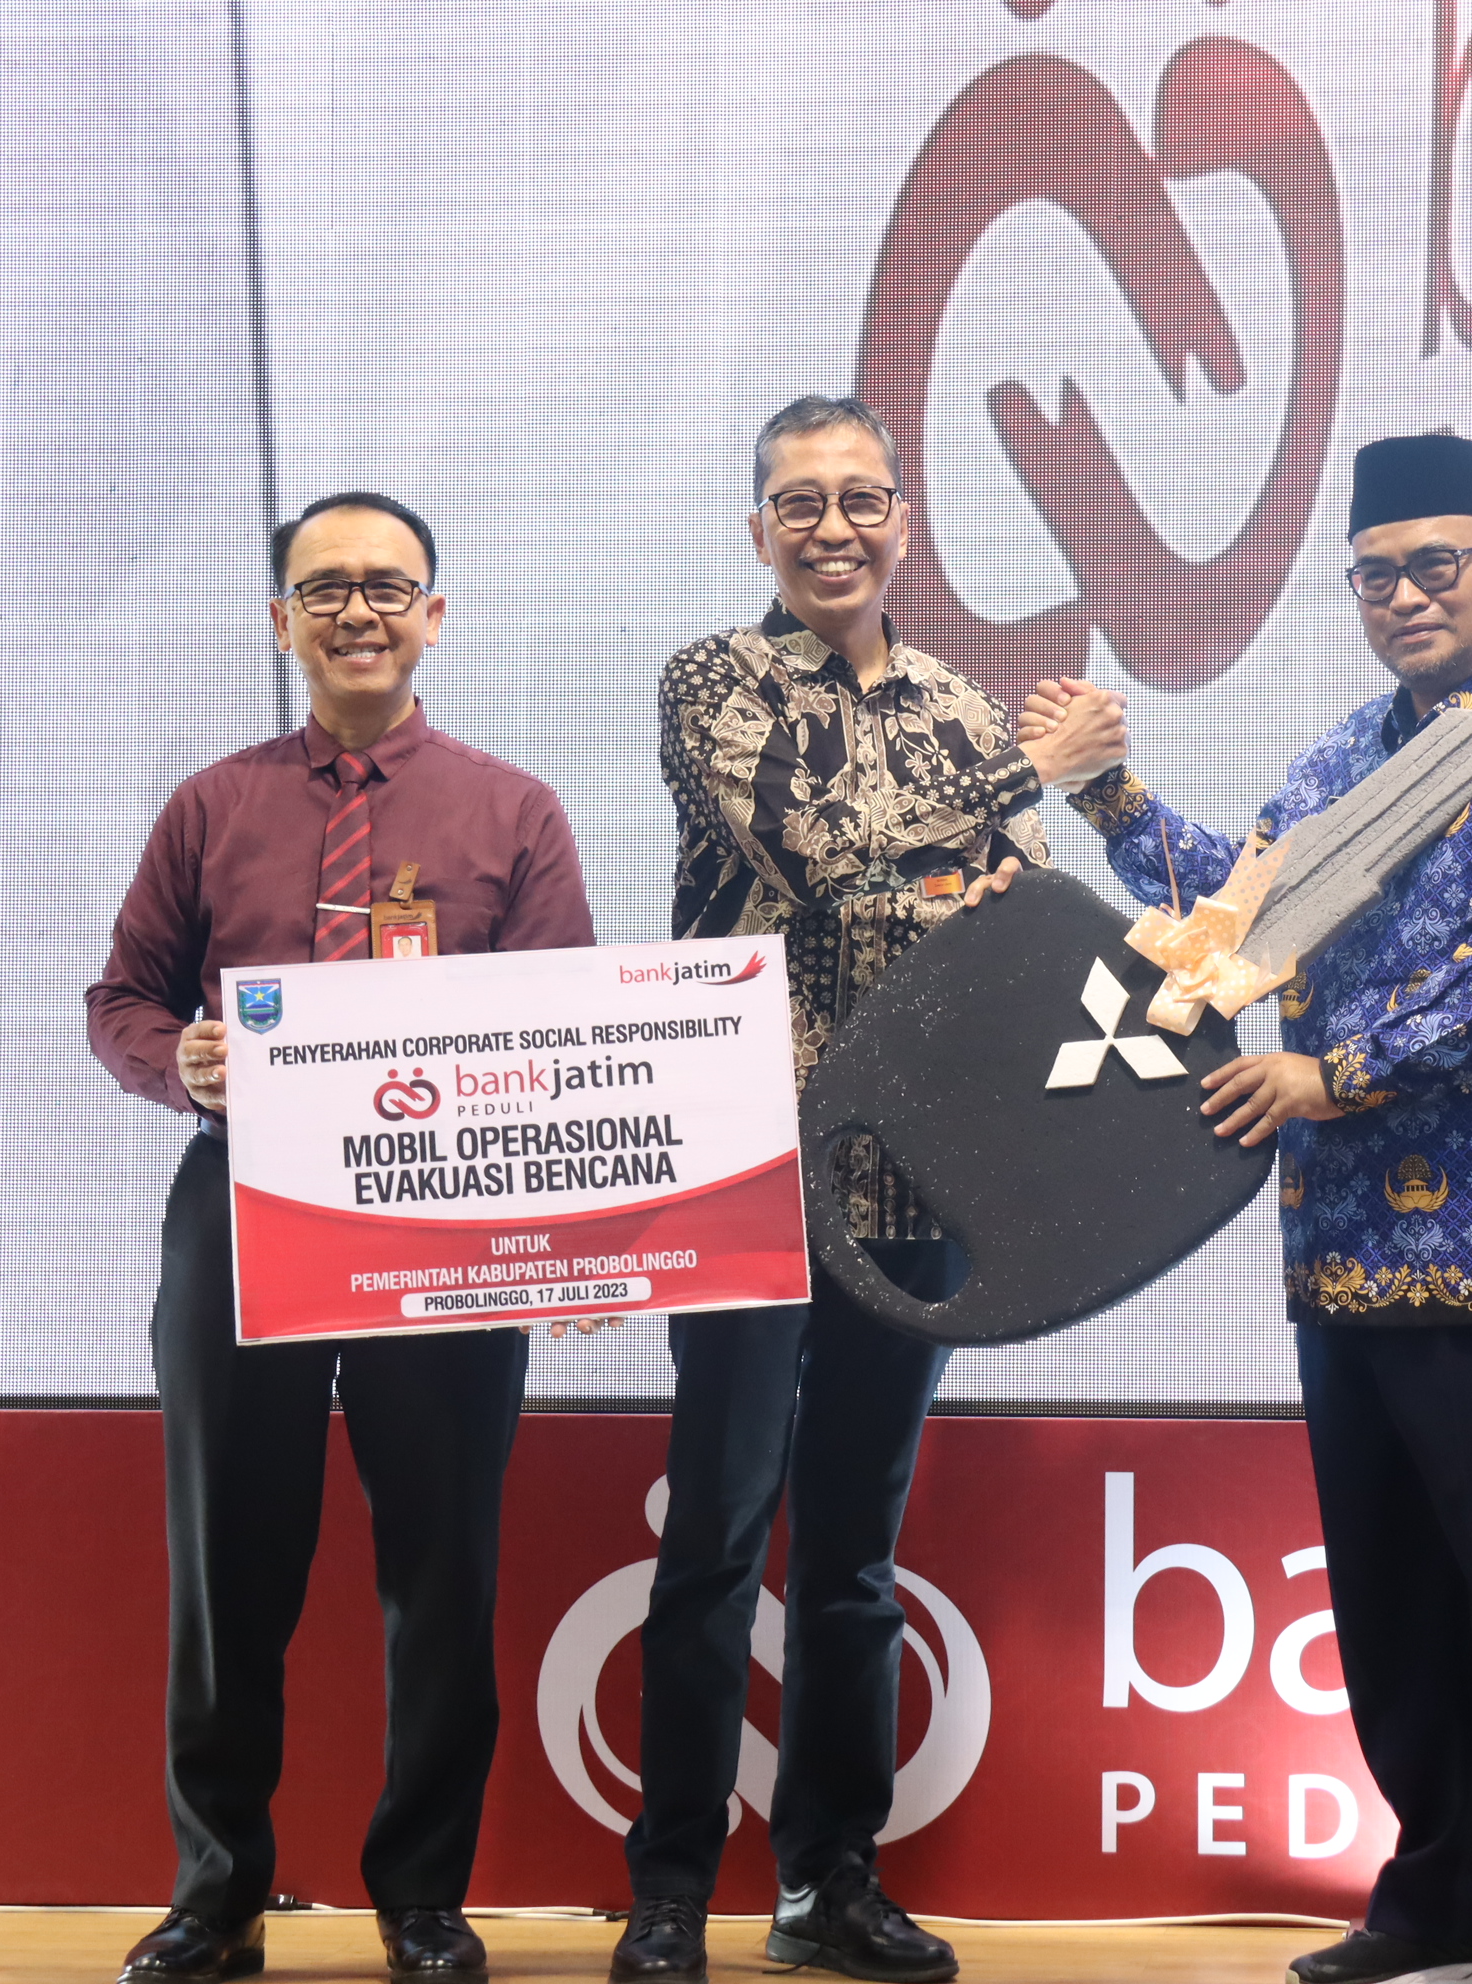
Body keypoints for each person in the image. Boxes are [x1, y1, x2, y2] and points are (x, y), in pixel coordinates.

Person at [1033, 434, 1472, 1984]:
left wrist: (1333, 1071)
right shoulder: (1345, 764)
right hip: (1358, 1256)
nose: (1405, 595)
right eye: (1375, 574)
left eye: (1437, 564)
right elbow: (1241, 918)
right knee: (1399, 1615)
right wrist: (1108, 792)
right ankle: (1451, 1896)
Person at [607, 395, 1125, 1984]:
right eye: (799, 502)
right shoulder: (714, 682)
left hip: (916, 1176)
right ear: (758, 529)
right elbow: (823, 852)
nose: (831, 527)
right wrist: (1016, 789)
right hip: (748, 1168)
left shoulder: (962, 707)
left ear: (903, 520)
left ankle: (831, 1883)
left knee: (852, 1551)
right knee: (717, 1534)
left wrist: (1054, 842)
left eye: (858, 499)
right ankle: (670, 1895)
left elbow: (1011, 921)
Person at [88, 492, 592, 1984]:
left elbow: (565, 1030)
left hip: (445, 1225)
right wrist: (177, 1061)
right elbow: (121, 1000)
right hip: (244, 1205)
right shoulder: (210, 807)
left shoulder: (514, 812)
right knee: (227, 1566)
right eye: (324, 590)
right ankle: (219, 1899)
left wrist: (570, 1236)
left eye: (386, 586)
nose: (356, 611)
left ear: (434, 614)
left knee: (443, 1568)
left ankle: (423, 1898)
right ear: (282, 623)